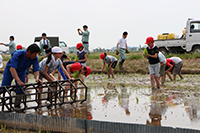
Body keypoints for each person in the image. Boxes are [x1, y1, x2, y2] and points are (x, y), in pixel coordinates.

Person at [1, 44, 42, 109]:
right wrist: (18, 81)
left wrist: (37, 79)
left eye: (36, 54)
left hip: (21, 71)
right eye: (34, 54)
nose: (35, 56)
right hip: (10, 70)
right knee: (4, 87)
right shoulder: (18, 55)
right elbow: (12, 68)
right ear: (29, 52)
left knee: (20, 89)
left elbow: (36, 70)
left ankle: (17, 106)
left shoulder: (34, 58)